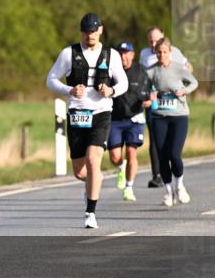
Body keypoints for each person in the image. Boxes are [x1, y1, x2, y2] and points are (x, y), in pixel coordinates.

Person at [47, 13, 128, 229]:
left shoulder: (112, 55)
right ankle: (94, 182)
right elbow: (51, 79)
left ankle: (90, 213)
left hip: (101, 112)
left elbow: (124, 83)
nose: (89, 35)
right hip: (77, 114)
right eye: (86, 31)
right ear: (81, 32)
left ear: (100, 30)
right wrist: (69, 89)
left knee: (94, 160)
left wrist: (110, 91)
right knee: (80, 171)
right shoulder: (69, 53)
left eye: (93, 31)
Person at [146, 38, 199, 207]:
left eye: (165, 52)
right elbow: (144, 89)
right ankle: (168, 192)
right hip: (159, 116)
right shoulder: (151, 71)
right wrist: (150, 95)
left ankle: (180, 185)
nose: (162, 55)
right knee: (162, 156)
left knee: (175, 155)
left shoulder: (178, 68)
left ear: (170, 52)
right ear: (155, 53)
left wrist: (184, 90)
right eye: (159, 52)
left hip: (179, 115)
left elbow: (194, 82)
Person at [139, 26, 191, 188]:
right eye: (150, 41)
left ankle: (175, 174)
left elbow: (189, 69)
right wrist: (147, 95)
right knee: (155, 141)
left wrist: (179, 83)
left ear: (163, 37)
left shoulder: (174, 52)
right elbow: (143, 77)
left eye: (156, 40)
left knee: (172, 146)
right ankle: (157, 175)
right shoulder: (144, 54)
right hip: (155, 105)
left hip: (175, 105)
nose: (153, 44)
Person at [107, 42, 151, 202]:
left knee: (131, 152)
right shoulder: (111, 71)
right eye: (121, 53)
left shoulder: (140, 70)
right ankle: (120, 167)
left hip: (135, 118)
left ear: (132, 55)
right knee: (114, 156)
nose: (124, 56)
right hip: (115, 119)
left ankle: (129, 187)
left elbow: (149, 90)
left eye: (127, 53)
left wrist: (148, 100)